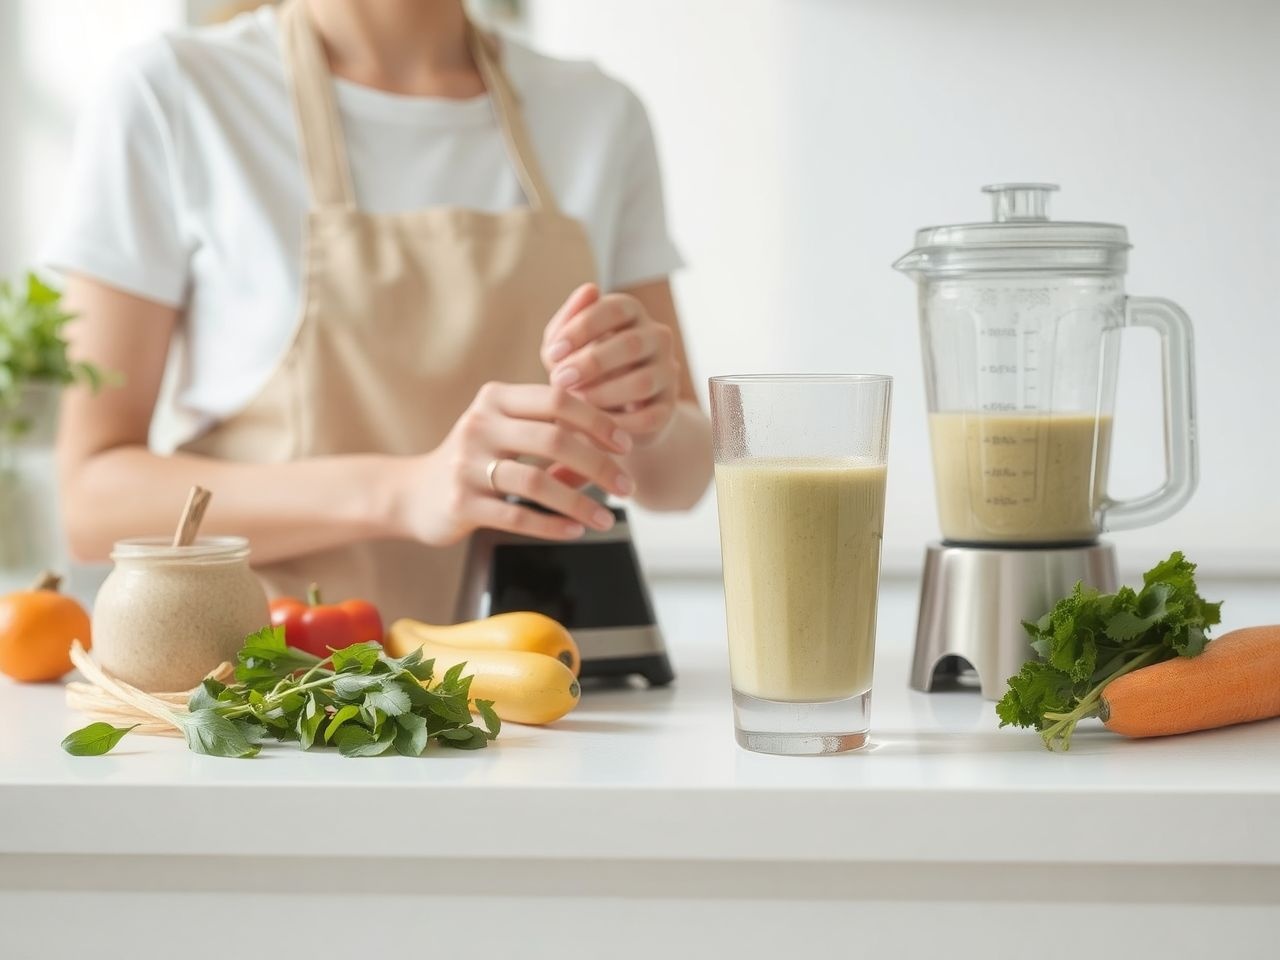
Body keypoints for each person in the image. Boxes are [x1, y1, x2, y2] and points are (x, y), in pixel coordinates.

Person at [47, 0, 711, 622]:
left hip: (543, 693)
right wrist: (404, 491)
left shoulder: (597, 114)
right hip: (273, 695)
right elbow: (93, 501)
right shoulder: (176, 93)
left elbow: (679, 481)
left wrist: (643, 420)